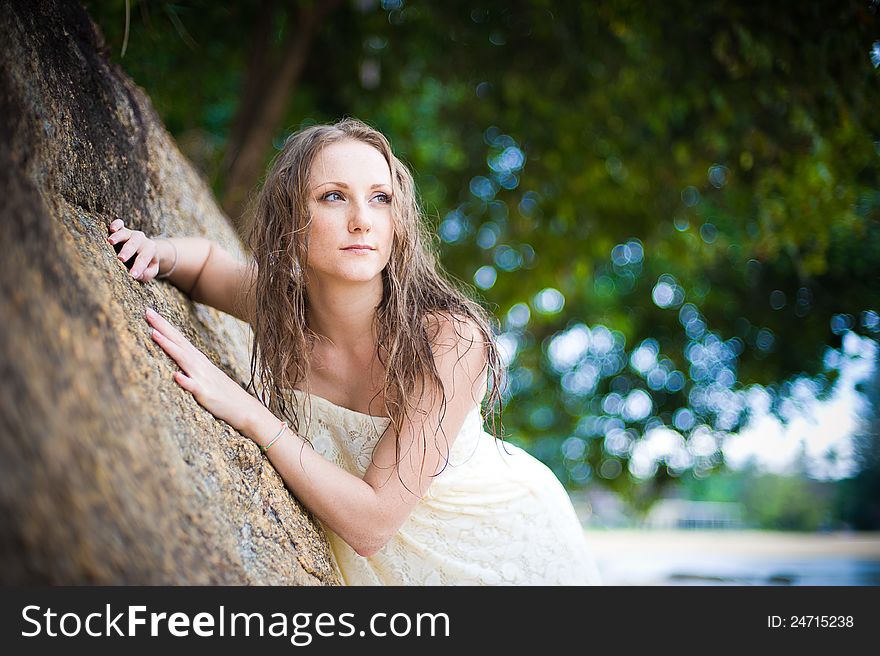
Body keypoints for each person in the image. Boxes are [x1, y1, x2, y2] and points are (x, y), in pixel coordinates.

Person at [107, 118, 602, 585]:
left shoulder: (449, 340)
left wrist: (246, 412)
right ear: (291, 219)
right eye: (333, 197)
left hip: (502, 557)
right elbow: (207, 266)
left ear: (398, 221)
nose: (362, 220)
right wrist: (159, 252)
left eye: (380, 198)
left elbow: (372, 524)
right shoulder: (282, 311)